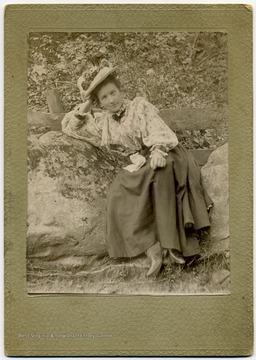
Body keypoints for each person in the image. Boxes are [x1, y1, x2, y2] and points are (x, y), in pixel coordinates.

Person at [62, 66, 213, 277]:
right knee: (117, 191)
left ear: (121, 90)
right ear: (100, 103)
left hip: (164, 151)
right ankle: (151, 247)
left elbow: (159, 130)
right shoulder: (103, 122)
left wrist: (159, 149)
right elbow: (70, 127)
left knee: (161, 172)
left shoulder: (139, 107)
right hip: (137, 161)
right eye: (104, 97)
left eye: (113, 92)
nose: (111, 100)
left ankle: (174, 244)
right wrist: (88, 103)